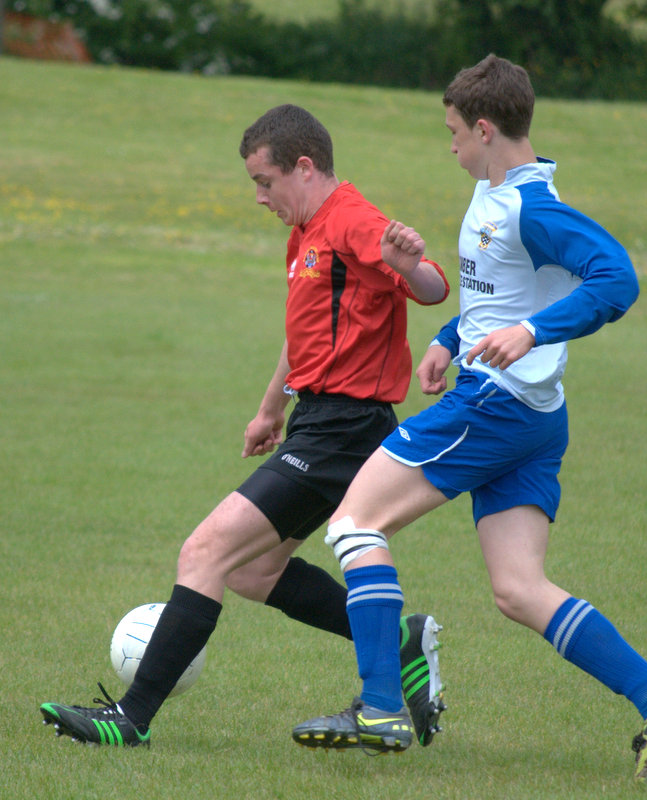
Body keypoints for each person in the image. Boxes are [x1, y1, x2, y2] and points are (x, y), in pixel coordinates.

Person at [292, 56, 647, 781]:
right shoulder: (494, 195)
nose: (449, 145)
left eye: (453, 132)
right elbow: (497, 294)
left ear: (485, 128)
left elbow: (618, 277)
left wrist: (536, 333)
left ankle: (381, 706)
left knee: (355, 524)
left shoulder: (533, 207)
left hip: (495, 405)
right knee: (518, 588)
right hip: (533, 418)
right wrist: (448, 338)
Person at [39, 104, 450, 749]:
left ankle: (131, 719)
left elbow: (428, 288)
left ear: (303, 167)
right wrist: (270, 409)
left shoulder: (351, 219)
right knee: (253, 573)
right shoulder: (307, 229)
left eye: (265, 181)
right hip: (319, 420)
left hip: (345, 428)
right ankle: (398, 637)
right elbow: (304, 332)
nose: (259, 196)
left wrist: (408, 262)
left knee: (205, 552)